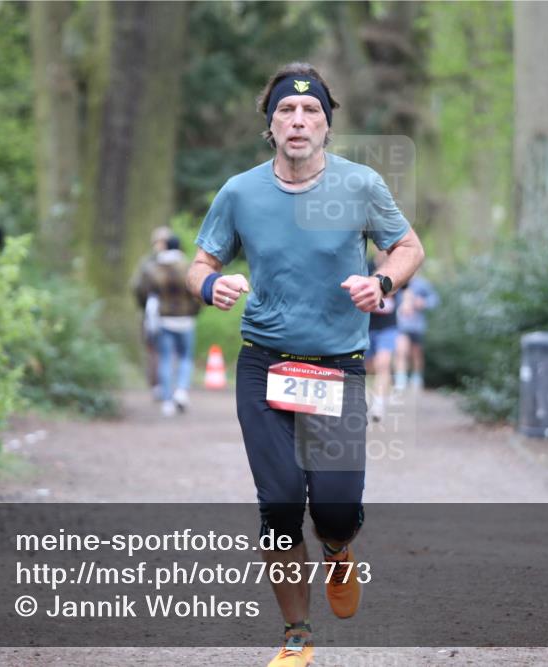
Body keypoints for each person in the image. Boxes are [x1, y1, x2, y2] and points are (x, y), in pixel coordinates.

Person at [186, 62, 424, 667]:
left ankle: (340, 550)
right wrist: (209, 284)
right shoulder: (240, 192)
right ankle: (296, 634)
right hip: (263, 364)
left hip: (336, 368)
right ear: (270, 126)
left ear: (326, 125)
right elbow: (198, 264)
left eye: (310, 111)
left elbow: (408, 246)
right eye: (286, 112)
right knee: (281, 503)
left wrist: (383, 283)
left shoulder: (361, 185)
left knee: (337, 508)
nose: (298, 120)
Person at [150, 234, 201, 416]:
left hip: (164, 320)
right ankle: (181, 391)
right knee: (185, 357)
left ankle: (167, 401)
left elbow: (143, 290)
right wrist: (195, 310)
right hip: (186, 319)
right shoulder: (187, 266)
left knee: (165, 359)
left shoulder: (155, 267)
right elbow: (196, 291)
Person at [131, 227, 174, 400]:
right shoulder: (178, 261)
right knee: (156, 351)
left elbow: (137, 287)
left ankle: (162, 386)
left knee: (156, 351)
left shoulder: (147, 263)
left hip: (155, 313)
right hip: (164, 314)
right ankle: (160, 386)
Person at [394, 271, 439, 391]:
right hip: (401, 324)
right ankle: (401, 378)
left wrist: (424, 303)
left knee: (416, 353)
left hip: (417, 325)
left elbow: (434, 300)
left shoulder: (423, 284)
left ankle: (417, 377)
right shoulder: (399, 281)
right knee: (401, 351)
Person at [365, 254, 397, 422]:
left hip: (388, 327)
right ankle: (373, 396)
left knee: (383, 363)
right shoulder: (366, 266)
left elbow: (407, 289)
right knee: (369, 367)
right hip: (367, 326)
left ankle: (378, 405)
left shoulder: (397, 267)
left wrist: (408, 302)